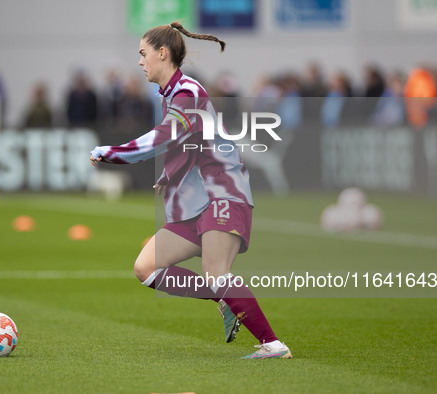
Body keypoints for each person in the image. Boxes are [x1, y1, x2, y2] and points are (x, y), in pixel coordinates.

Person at [89, 22, 292, 360]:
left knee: (215, 273)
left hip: (223, 194)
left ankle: (273, 345)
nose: (140, 62)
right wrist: (170, 172)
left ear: (162, 53)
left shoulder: (188, 93)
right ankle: (224, 300)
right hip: (198, 204)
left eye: (143, 54)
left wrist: (110, 152)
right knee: (146, 268)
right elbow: (191, 142)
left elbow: (162, 138)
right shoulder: (173, 95)